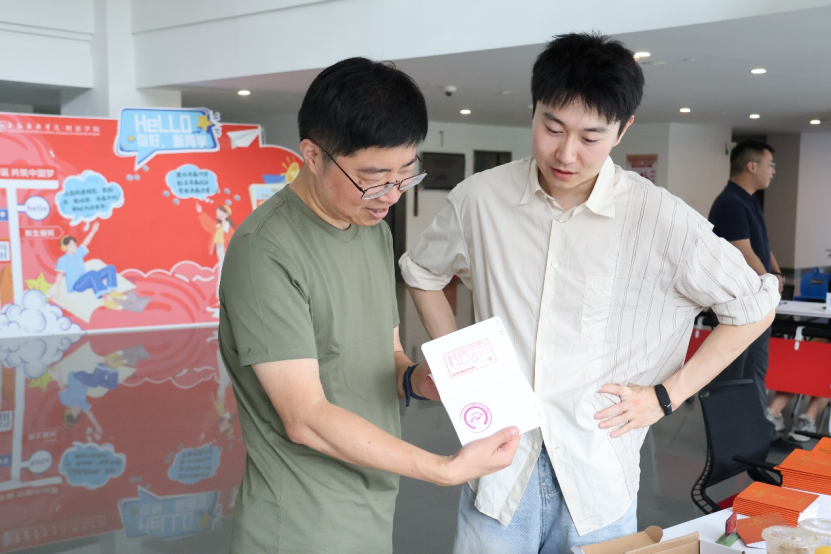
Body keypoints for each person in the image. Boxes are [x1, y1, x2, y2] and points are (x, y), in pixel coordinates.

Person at [400, 33, 779, 554]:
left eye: (590, 137)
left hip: (598, 477)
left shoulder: (658, 217)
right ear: (534, 110)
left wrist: (667, 395)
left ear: (622, 129)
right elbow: (422, 272)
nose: (566, 153)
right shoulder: (481, 199)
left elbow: (754, 307)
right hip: (498, 467)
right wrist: (465, 370)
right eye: (552, 128)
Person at [218, 57, 520, 553]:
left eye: (406, 174)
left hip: (371, 507)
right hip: (298, 526)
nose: (391, 196)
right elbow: (305, 416)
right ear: (312, 155)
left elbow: (386, 353)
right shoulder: (264, 251)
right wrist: (443, 468)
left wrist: (416, 379)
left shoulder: (372, 231)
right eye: (374, 178)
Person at [707, 140, 789, 439]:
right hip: (741, 306)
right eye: (771, 165)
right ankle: (732, 437)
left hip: (757, 302)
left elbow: (762, 245)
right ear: (752, 166)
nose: (774, 171)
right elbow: (743, 251)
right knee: (735, 374)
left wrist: (776, 273)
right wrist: (769, 281)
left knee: (754, 370)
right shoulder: (730, 203)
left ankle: (756, 432)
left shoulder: (749, 200)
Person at [53, 221, 121, 309]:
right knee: (92, 273)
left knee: (110, 268)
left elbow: (85, 243)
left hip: (87, 281)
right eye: (71, 245)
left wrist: (93, 230)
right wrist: (57, 293)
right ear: (65, 247)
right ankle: (107, 299)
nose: (74, 246)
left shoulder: (78, 253)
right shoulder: (62, 260)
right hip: (77, 286)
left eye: (74, 244)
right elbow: (59, 275)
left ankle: (113, 291)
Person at [196, 202, 235, 307]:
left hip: (226, 252)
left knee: (223, 272)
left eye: (222, 212)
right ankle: (220, 298)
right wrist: (200, 212)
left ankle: (222, 298)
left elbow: (231, 242)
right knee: (221, 271)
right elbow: (208, 224)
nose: (219, 215)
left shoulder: (228, 229)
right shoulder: (218, 227)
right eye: (218, 213)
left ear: (227, 214)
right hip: (220, 251)